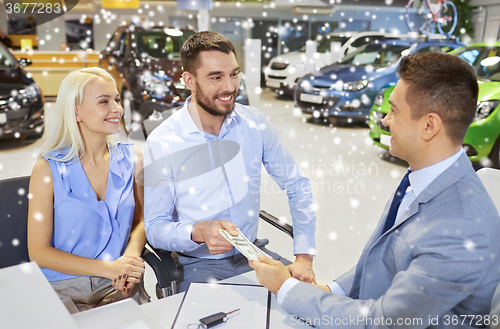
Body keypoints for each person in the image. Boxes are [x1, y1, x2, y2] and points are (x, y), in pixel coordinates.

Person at [251, 52, 500, 328]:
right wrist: (331, 291)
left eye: (394, 110)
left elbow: (383, 322)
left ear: (429, 126)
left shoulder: (458, 228)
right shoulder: (424, 175)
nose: (385, 120)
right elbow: (380, 258)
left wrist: (287, 288)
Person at [143, 31, 317, 292]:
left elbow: (296, 183)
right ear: (189, 80)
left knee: (310, 307)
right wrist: (198, 231)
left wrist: (304, 256)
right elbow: (155, 227)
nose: (230, 87)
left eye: (234, 74)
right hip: (199, 265)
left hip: (254, 255)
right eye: (216, 77)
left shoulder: (254, 123)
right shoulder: (164, 142)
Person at [28, 67, 150, 312]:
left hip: (119, 282)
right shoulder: (47, 169)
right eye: (104, 101)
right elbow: (39, 252)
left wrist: (129, 260)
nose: (117, 108)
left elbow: (142, 220)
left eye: (116, 99)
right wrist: (108, 268)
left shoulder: (134, 159)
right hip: (64, 287)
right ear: (76, 111)